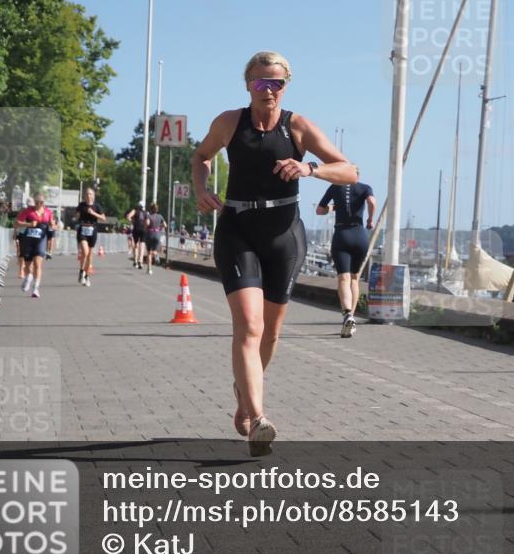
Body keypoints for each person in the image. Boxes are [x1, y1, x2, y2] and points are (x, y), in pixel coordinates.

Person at [192, 50, 357, 456]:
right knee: (248, 325)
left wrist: (310, 169)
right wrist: (200, 189)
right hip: (237, 229)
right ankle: (259, 419)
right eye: (261, 82)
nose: (269, 90)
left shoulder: (298, 127)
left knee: (270, 330)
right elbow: (201, 156)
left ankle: (244, 394)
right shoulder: (230, 122)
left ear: (286, 86)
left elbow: (349, 169)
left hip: (284, 233)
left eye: (277, 83)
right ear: (248, 84)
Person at [316, 181, 376, 338]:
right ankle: (352, 318)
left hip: (342, 234)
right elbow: (371, 202)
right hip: (359, 235)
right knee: (354, 278)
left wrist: (334, 207)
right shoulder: (365, 187)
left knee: (343, 278)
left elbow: (320, 210)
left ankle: (347, 315)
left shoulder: (335, 187)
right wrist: (370, 219)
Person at [15, 193, 53, 298]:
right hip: (28, 240)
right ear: (34, 202)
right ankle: (28, 277)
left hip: (41, 240)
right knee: (28, 265)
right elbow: (17, 223)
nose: (39, 204)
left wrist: (54, 226)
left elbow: (52, 224)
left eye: (41, 202)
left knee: (37, 264)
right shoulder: (27, 211)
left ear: (44, 203)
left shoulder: (48, 212)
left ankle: (36, 289)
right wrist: (29, 224)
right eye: (37, 202)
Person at [75, 188, 106, 286]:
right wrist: (76, 217)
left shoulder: (97, 206)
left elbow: (103, 218)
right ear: (85, 196)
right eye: (87, 194)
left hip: (92, 231)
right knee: (85, 251)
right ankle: (81, 271)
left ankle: (87, 276)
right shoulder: (81, 205)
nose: (88, 195)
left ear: (93, 196)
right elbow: (77, 216)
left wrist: (93, 213)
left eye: (90, 194)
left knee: (89, 255)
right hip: (83, 230)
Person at [125, 202, 150, 269]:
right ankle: (140, 261)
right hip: (143, 229)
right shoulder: (146, 213)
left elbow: (128, 216)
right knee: (142, 245)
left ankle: (135, 260)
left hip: (136, 228)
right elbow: (148, 223)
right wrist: (145, 226)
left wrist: (132, 222)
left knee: (135, 244)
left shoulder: (134, 211)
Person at [145, 202, 166, 274]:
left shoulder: (149, 216)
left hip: (149, 234)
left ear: (151, 209)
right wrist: (159, 227)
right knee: (154, 250)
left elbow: (147, 224)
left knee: (149, 253)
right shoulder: (160, 216)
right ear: (157, 209)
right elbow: (165, 225)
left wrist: (146, 227)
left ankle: (149, 269)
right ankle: (156, 254)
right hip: (157, 234)